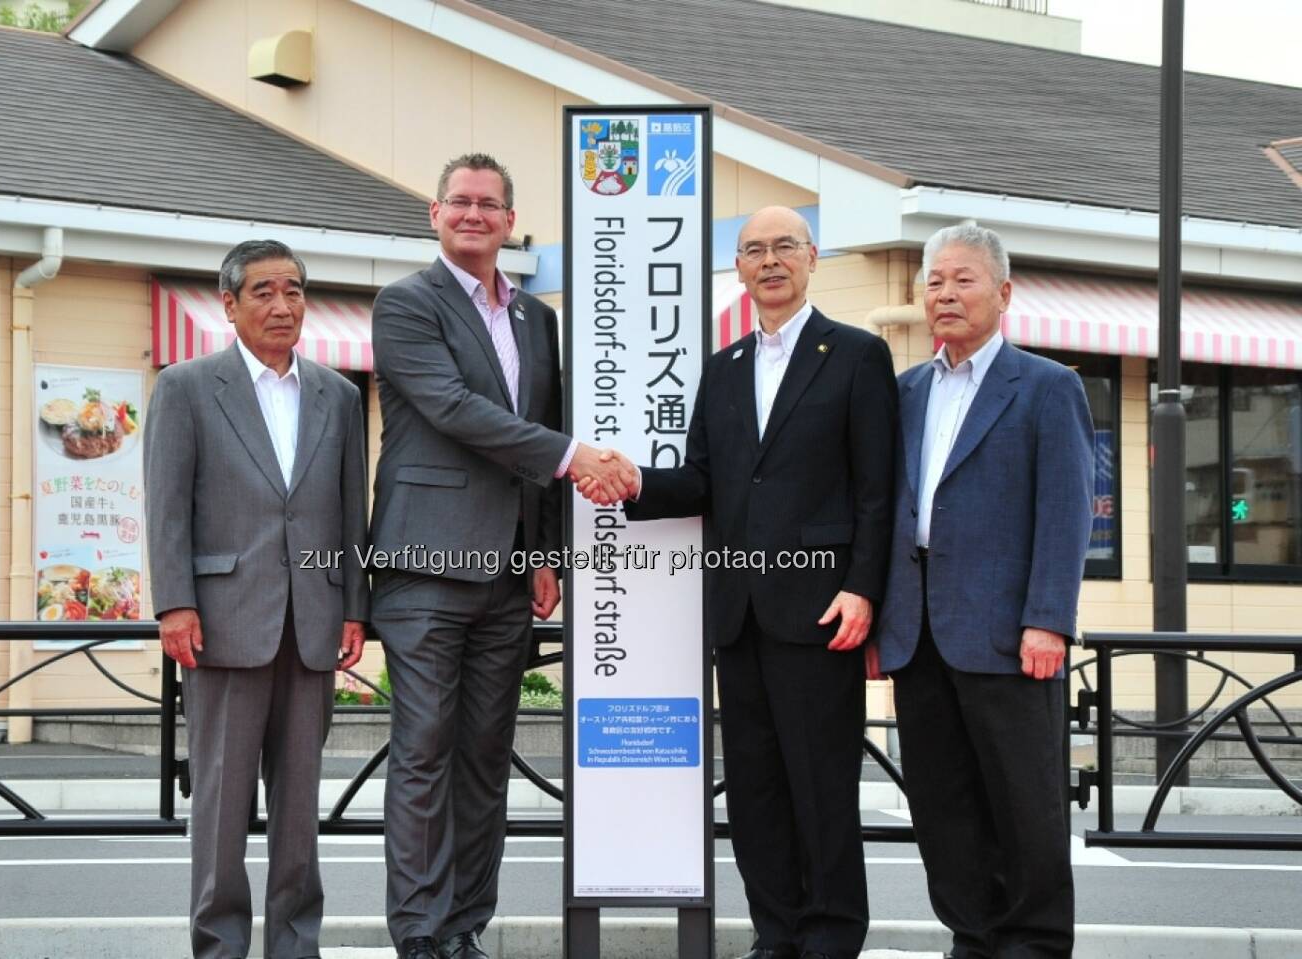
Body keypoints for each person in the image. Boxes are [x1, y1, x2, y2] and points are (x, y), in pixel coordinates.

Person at [593, 205, 898, 959]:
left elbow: (877, 490)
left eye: (784, 246)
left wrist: (863, 586)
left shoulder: (856, 354)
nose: (770, 261)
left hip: (822, 606)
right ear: (738, 267)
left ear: (812, 257)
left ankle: (829, 934)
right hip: (739, 611)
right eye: (754, 249)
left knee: (822, 783)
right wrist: (636, 485)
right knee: (757, 786)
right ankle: (777, 932)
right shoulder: (723, 368)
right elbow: (705, 479)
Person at [369, 153, 635, 959]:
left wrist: (547, 551)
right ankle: (419, 930)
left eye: (489, 204)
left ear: (510, 220)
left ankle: (463, 927)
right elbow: (454, 409)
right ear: (435, 212)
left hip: (510, 574)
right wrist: (575, 455)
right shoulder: (405, 305)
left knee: (486, 755)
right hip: (424, 565)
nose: (474, 214)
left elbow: (536, 436)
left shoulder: (536, 320)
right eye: (460, 201)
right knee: (423, 750)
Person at [144, 239, 370, 959]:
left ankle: (296, 948)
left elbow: (348, 509)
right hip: (220, 625)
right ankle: (219, 947)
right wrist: (174, 603)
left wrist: (354, 605)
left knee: (299, 811)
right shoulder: (185, 386)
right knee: (218, 808)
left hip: (312, 626)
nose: (283, 304)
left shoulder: (338, 393)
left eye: (295, 290)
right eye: (265, 291)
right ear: (231, 304)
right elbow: (167, 505)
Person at [874, 223, 1093, 959]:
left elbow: (1066, 512)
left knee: (1025, 804)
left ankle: (1031, 943)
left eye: (962, 279)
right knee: (941, 805)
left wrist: (1049, 619)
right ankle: (973, 934)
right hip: (917, 629)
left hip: (1008, 633)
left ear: (1003, 293)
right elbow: (887, 510)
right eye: (934, 280)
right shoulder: (903, 391)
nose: (944, 293)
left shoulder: (1046, 386)